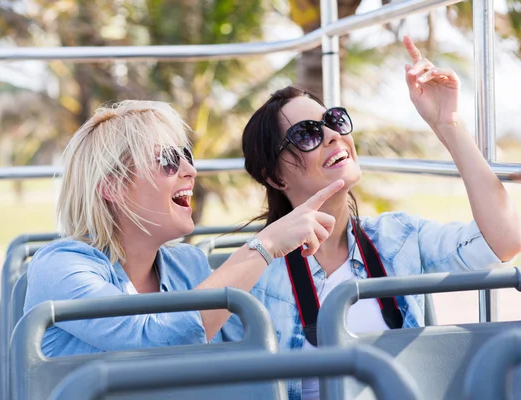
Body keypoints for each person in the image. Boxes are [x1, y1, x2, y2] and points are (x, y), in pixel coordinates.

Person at [234, 36, 521, 399]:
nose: (331, 135)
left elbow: (505, 241)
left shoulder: (397, 237)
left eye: (333, 120)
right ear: (276, 177)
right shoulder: (254, 273)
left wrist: (447, 124)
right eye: (306, 134)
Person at [23, 99, 345, 357]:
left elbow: (242, 351)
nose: (190, 170)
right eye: (168, 160)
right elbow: (152, 340)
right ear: (114, 186)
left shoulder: (186, 264)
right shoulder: (61, 266)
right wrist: (264, 244)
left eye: (187, 156)